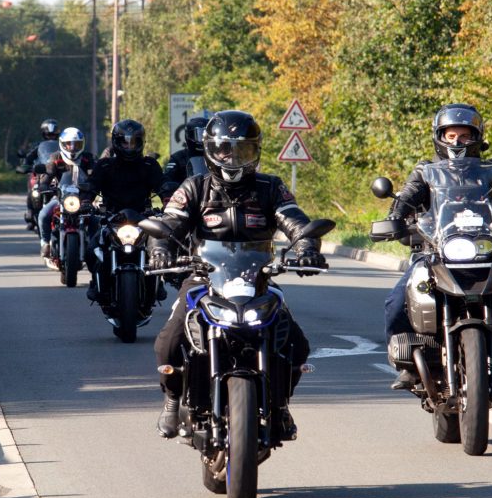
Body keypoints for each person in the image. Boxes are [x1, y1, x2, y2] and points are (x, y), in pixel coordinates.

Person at [148, 110, 327, 439]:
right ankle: (173, 400)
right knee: (170, 340)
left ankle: (281, 405)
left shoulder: (270, 187)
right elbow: (169, 223)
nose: (231, 158)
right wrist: (161, 250)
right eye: (224, 149)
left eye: (241, 150)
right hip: (204, 278)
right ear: (210, 151)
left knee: (296, 344)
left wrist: (306, 247)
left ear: (255, 151)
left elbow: (295, 220)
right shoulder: (195, 187)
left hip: (256, 280)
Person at [384, 103, 492, 390]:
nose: (457, 142)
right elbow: (408, 195)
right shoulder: (426, 171)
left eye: (464, 135)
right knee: (398, 299)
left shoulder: (491, 171)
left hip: (484, 248)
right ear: (440, 137)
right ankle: (408, 365)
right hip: (434, 252)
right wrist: (395, 217)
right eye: (451, 136)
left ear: (477, 137)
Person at [82, 119, 168, 303]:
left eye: (134, 142)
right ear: (116, 142)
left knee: (160, 245)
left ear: (141, 142)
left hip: (143, 218)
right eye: (125, 142)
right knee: (92, 249)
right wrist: (85, 201)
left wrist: (169, 201)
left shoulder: (149, 165)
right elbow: (91, 186)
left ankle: (157, 281)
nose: (129, 146)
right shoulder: (105, 165)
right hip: (111, 217)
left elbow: (163, 187)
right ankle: (96, 282)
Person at [37, 127, 96, 258]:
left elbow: (94, 177)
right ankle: (45, 244)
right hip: (60, 197)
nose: (72, 147)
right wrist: (43, 185)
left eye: (76, 144)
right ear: (62, 144)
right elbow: (48, 175)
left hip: (83, 199)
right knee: (43, 215)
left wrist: (93, 188)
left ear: (82, 144)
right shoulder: (55, 157)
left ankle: (94, 247)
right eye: (69, 144)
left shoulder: (87, 158)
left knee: (95, 219)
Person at [19, 119, 62, 229]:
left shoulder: (62, 145)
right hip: (39, 173)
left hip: (56, 173)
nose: (51, 136)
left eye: (53, 134)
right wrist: (25, 165)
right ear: (44, 134)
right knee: (33, 190)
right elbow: (29, 157)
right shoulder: (38, 145)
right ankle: (30, 213)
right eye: (49, 134)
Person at [160, 114, 212, 201]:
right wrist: (173, 187)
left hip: (213, 198)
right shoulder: (178, 158)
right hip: (185, 200)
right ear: (189, 136)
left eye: (205, 136)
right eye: (198, 135)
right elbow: (167, 179)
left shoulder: (215, 157)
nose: (202, 140)